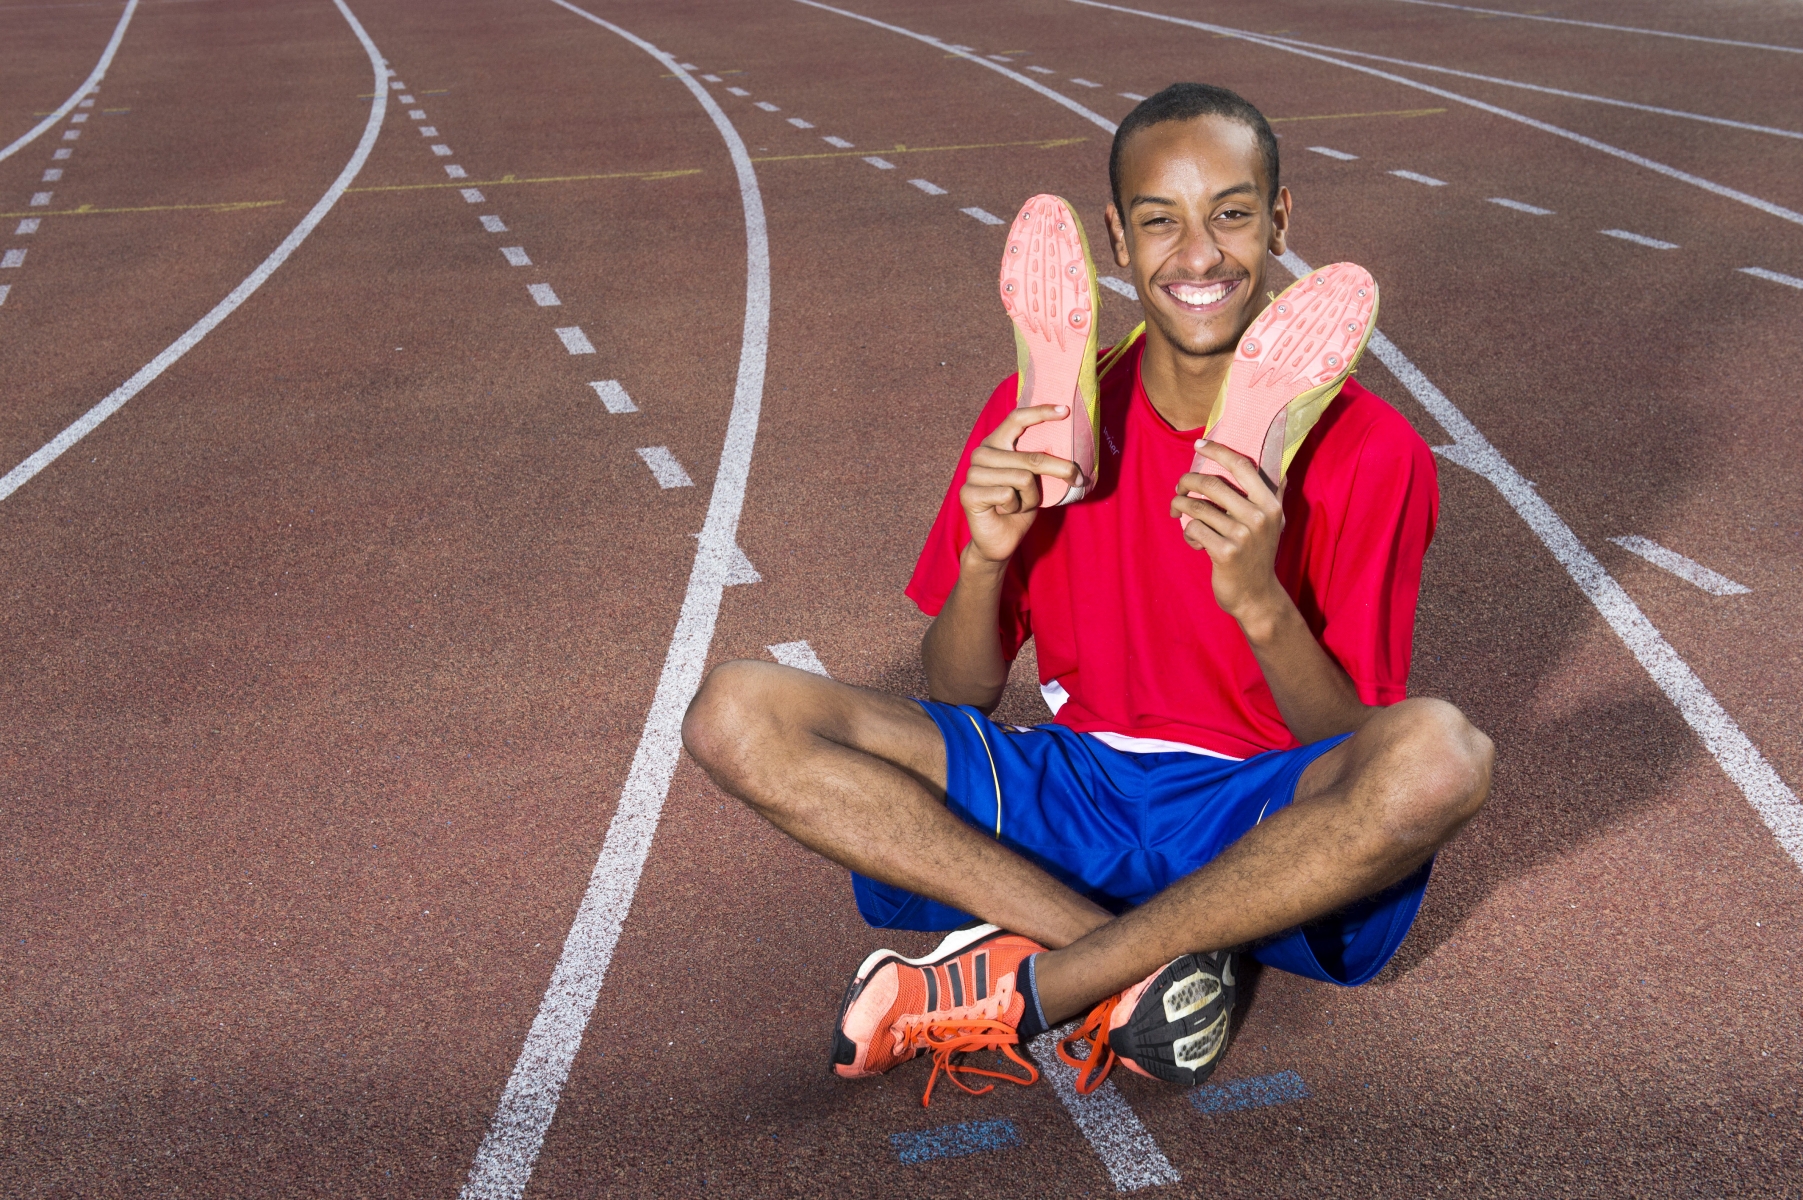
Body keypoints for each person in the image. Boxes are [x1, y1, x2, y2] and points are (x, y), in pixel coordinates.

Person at [681, 82, 1492, 1105]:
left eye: (1233, 215)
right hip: (1074, 786)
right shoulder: (1032, 419)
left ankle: (1037, 987)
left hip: (1259, 820)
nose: (1198, 257)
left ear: (1283, 221)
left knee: (1441, 758)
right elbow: (958, 693)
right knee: (736, 712)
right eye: (1161, 222)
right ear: (1116, 238)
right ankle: (1143, 959)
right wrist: (987, 557)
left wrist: (1255, 598)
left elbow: (1349, 743)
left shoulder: (1375, 453)